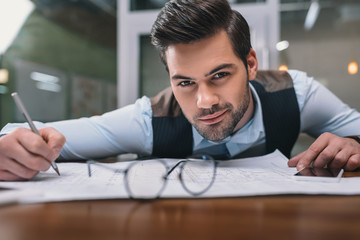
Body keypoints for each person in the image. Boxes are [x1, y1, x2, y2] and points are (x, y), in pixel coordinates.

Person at [1, 0, 360, 181]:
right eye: (185, 82)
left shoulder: (297, 93)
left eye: (220, 75)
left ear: (251, 64)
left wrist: (355, 144)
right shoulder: (147, 119)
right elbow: (26, 136)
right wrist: (11, 148)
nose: (205, 102)